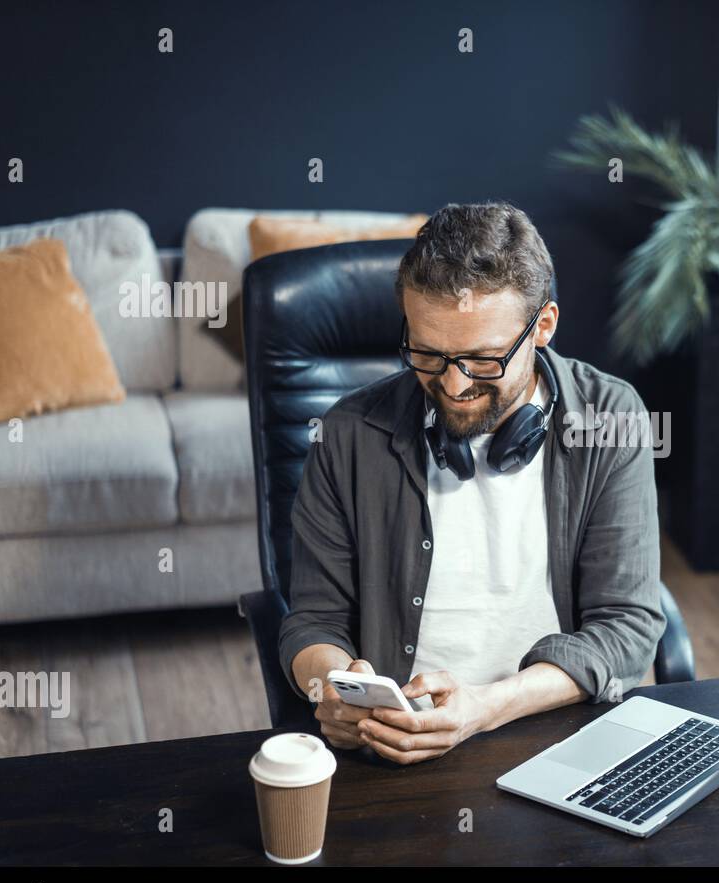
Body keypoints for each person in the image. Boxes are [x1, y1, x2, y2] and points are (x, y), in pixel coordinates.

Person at [279, 201, 664, 765]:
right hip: (396, 747)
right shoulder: (347, 434)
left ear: (544, 328)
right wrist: (330, 684)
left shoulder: (608, 417)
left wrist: (485, 706)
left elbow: (627, 627)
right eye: (428, 354)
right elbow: (312, 621)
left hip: (558, 732)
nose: (454, 384)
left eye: (483, 360)